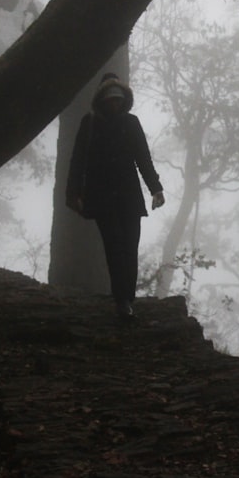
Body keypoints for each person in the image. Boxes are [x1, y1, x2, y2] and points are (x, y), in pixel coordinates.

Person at [66, 72, 165, 321]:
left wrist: (156, 188)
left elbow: (143, 158)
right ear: (101, 99)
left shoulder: (131, 123)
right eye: (110, 99)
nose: (114, 103)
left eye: (118, 99)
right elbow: (77, 161)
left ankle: (126, 299)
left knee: (130, 247)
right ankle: (122, 300)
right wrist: (74, 193)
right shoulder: (89, 124)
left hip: (129, 197)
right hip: (101, 197)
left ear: (124, 100)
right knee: (114, 248)